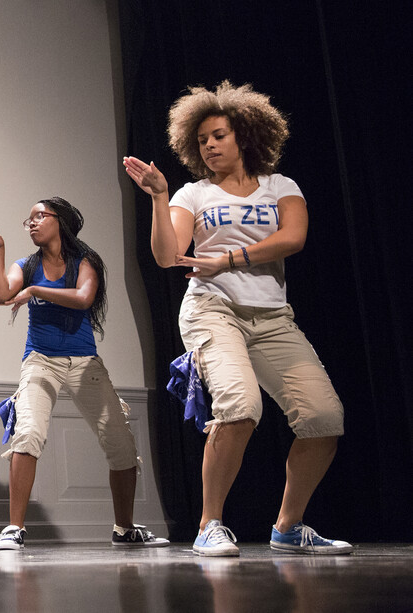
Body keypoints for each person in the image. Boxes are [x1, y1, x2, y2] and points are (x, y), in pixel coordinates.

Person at [123, 81, 350, 556]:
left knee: (324, 419)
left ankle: (287, 528)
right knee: (241, 407)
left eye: (219, 135)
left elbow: (294, 238)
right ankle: (209, 525)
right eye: (202, 139)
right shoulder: (192, 193)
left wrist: (228, 259)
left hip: (272, 317)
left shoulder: (280, 186)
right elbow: (168, 257)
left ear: (244, 136)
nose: (209, 145)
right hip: (211, 309)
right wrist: (160, 197)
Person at [0, 198, 170, 551]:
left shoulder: (85, 262)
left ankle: (124, 528)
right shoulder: (27, 265)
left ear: (60, 221)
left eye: (39, 216)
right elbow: (1, 294)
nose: (32, 223)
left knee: (121, 443)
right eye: (28, 219)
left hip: (84, 363)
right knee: (28, 432)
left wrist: (33, 291)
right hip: (40, 360)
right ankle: (14, 528)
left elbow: (83, 298)